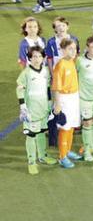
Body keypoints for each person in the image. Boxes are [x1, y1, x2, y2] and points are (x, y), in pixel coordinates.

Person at [17, 46, 57, 174]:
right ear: (29, 58)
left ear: (43, 58)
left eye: (40, 56)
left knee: (41, 132)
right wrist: (23, 106)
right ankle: (31, 161)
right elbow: (20, 89)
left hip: (43, 108)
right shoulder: (26, 73)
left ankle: (42, 156)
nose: (37, 59)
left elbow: (47, 88)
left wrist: (50, 103)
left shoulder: (45, 71)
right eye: (34, 56)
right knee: (31, 134)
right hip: (31, 110)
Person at [52, 38, 81, 168]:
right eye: (70, 48)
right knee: (65, 127)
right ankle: (62, 156)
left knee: (72, 126)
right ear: (63, 50)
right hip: (64, 99)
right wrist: (58, 104)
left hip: (74, 97)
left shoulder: (72, 62)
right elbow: (56, 87)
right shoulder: (60, 65)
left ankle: (68, 150)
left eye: (74, 48)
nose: (73, 51)